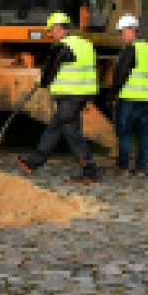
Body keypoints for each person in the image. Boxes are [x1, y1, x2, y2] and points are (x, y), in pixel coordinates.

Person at [17, 11, 101, 185]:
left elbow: (49, 71)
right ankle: (33, 163)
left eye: (51, 30)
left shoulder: (62, 47)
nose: (50, 34)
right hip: (82, 94)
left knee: (72, 133)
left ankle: (90, 173)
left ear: (59, 29)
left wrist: (42, 82)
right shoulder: (85, 44)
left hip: (69, 96)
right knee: (54, 129)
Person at [105, 14, 148, 176]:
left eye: (122, 32)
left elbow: (121, 75)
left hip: (129, 98)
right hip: (146, 99)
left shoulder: (130, 49)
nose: (121, 35)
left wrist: (111, 95)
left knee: (124, 133)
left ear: (132, 31)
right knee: (142, 134)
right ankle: (141, 168)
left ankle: (124, 167)